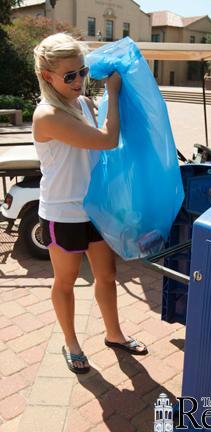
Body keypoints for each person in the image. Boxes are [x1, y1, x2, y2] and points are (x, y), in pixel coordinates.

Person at [33, 33, 147, 375]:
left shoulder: (81, 103)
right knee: (65, 281)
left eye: (82, 72)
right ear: (47, 76)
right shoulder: (47, 115)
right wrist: (111, 93)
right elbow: (107, 140)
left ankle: (114, 334)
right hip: (63, 212)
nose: (80, 81)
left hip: (95, 207)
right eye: (70, 76)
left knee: (107, 274)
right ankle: (72, 343)